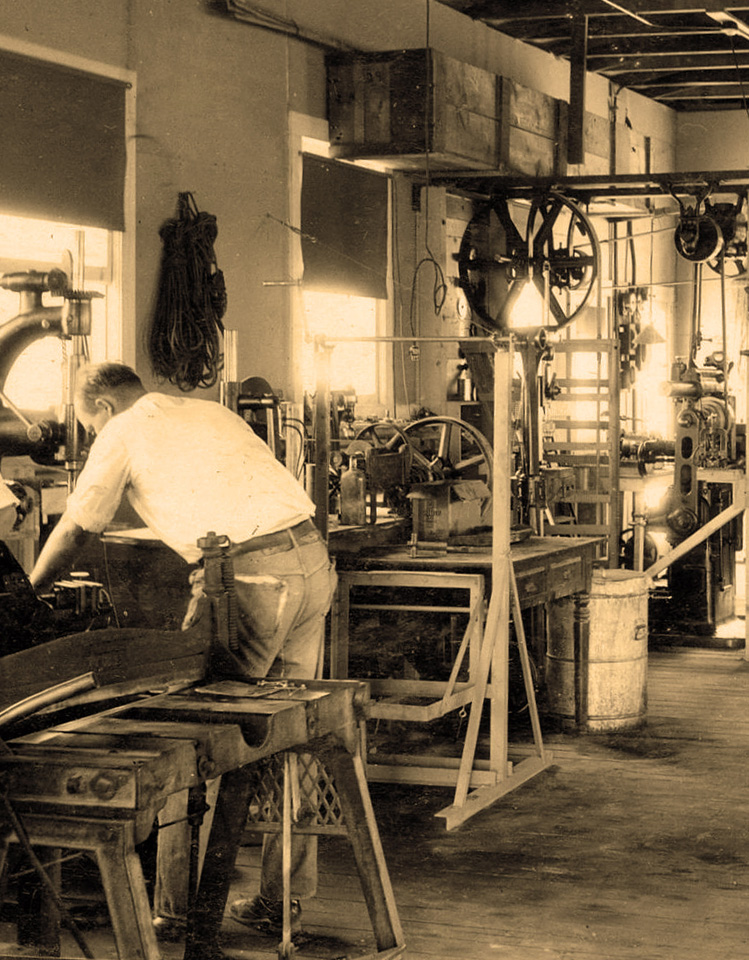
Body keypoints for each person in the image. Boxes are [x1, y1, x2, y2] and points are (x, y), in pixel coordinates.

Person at [29, 361, 337, 938]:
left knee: (202, 740)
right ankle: (281, 898)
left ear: (101, 408)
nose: (95, 437)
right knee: (291, 732)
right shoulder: (206, 410)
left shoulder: (122, 430)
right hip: (310, 562)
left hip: (255, 581)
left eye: (89, 427)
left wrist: (26, 597)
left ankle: (178, 911)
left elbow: (75, 528)